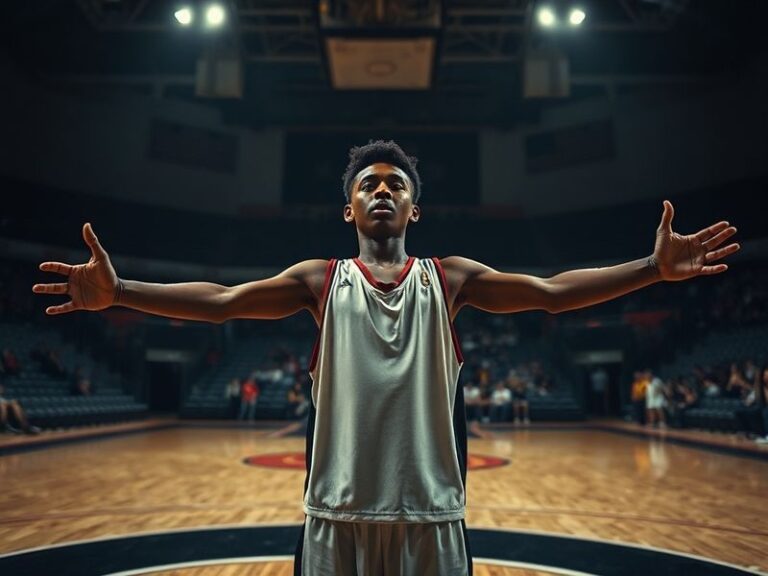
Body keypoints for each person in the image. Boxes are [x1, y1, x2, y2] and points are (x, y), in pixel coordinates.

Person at [32, 139, 740, 576]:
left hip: (430, 516)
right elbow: (220, 302)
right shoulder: (318, 281)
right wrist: (120, 289)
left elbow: (553, 294)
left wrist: (652, 269)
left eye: (395, 184)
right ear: (348, 211)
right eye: (367, 184)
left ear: (413, 211)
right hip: (334, 515)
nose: (381, 190)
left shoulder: (450, 278)